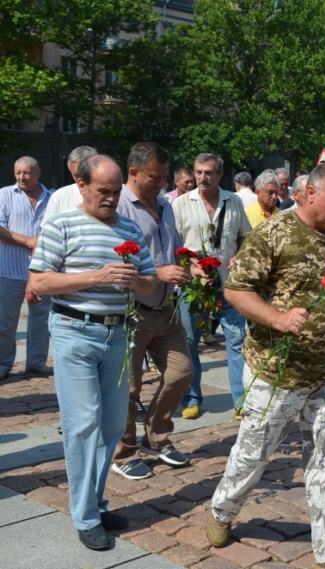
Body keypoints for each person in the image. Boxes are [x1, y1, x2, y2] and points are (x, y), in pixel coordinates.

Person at [207, 162, 325, 569]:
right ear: (309, 194)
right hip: (275, 371)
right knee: (254, 455)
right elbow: (236, 290)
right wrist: (277, 319)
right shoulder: (274, 234)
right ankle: (222, 511)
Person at [29, 154, 158, 549]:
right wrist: (97, 276)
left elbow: (152, 284)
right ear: (82, 186)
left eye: (117, 191)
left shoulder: (128, 227)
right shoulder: (62, 224)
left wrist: (138, 282)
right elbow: (39, 282)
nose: (112, 199)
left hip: (118, 335)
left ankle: (95, 504)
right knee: (83, 423)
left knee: (112, 426)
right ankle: (85, 516)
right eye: (104, 191)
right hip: (73, 332)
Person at [110, 142, 196, 480]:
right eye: (155, 177)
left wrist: (191, 263)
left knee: (181, 373)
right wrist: (158, 273)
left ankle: (156, 438)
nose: (162, 184)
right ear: (133, 172)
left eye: (164, 177)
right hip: (132, 310)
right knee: (127, 388)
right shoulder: (117, 206)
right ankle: (124, 451)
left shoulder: (165, 205)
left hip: (167, 308)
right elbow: (115, 260)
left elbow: (171, 247)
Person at [172, 153, 251, 417]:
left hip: (228, 285)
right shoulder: (181, 203)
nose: (202, 178)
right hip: (193, 286)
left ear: (220, 174)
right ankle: (191, 399)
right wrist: (191, 267)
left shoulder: (234, 201)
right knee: (189, 341)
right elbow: (173, 246)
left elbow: (245, 237)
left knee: (238, 339)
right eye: (198, 172)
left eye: (208, 173)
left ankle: (241, 401)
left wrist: (240, 255)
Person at [0, 157, 52, 379]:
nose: (22, 177)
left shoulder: (52, 198)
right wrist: (29, 242)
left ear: (38, 173)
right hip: (10, 269)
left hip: (42, 271)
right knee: (6, 321)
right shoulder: (4, 195)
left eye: (27, 172)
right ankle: (3, 365)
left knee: (41, 319)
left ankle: (36, 363)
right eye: (18, 172)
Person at [41, 146, 98, 221]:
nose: (80, 180)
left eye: (84, 174)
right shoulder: (59, 196)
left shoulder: (115, 194)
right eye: (76, 175)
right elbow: (47, 231)